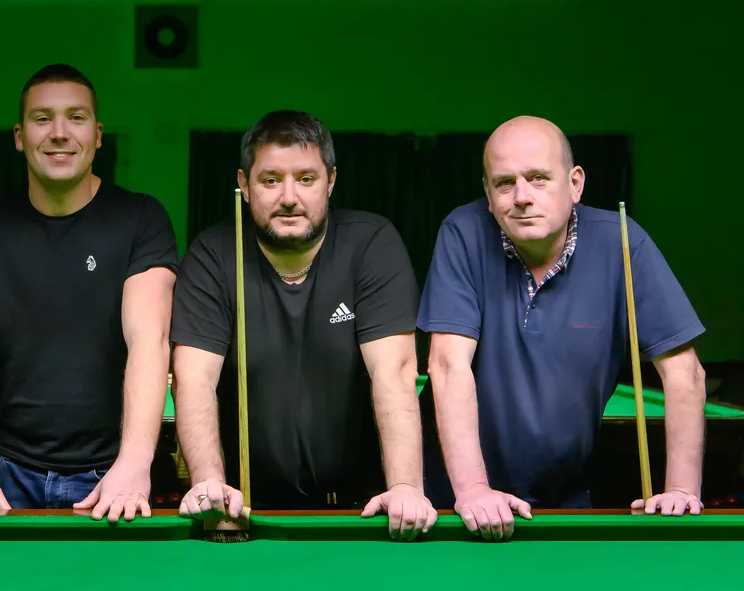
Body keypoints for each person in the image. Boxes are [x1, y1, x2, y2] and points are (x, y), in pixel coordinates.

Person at [418, 115, 707, 540]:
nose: (521, 197)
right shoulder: (462, 233)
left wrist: (681, 489)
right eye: (504, 183)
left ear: (575, 183)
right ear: (487, 191)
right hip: (456, 503)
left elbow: (684, 373)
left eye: (538, 179)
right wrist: (475, 489)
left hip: (563, 500)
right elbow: (447, 365)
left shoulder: (624, 243)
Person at [170, 110, 438, 541]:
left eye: (306, 179)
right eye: (271, 180)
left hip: (362, 510)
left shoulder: (371, 244)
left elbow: (395, 373)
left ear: (331, 181)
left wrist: (405, 486)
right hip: (243, 514)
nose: (289, 197)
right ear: (244, 184)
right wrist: (209, 485)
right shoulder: (214, 255)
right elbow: (193, 378)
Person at [0, 64, 178, 523]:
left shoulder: (141, 218)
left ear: (98, 134)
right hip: (6, 476)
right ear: (20, 135)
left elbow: (149, 340)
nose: (60, 132)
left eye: (76, 117)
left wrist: (134, 462)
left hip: (111, 477)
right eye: (43, 118)